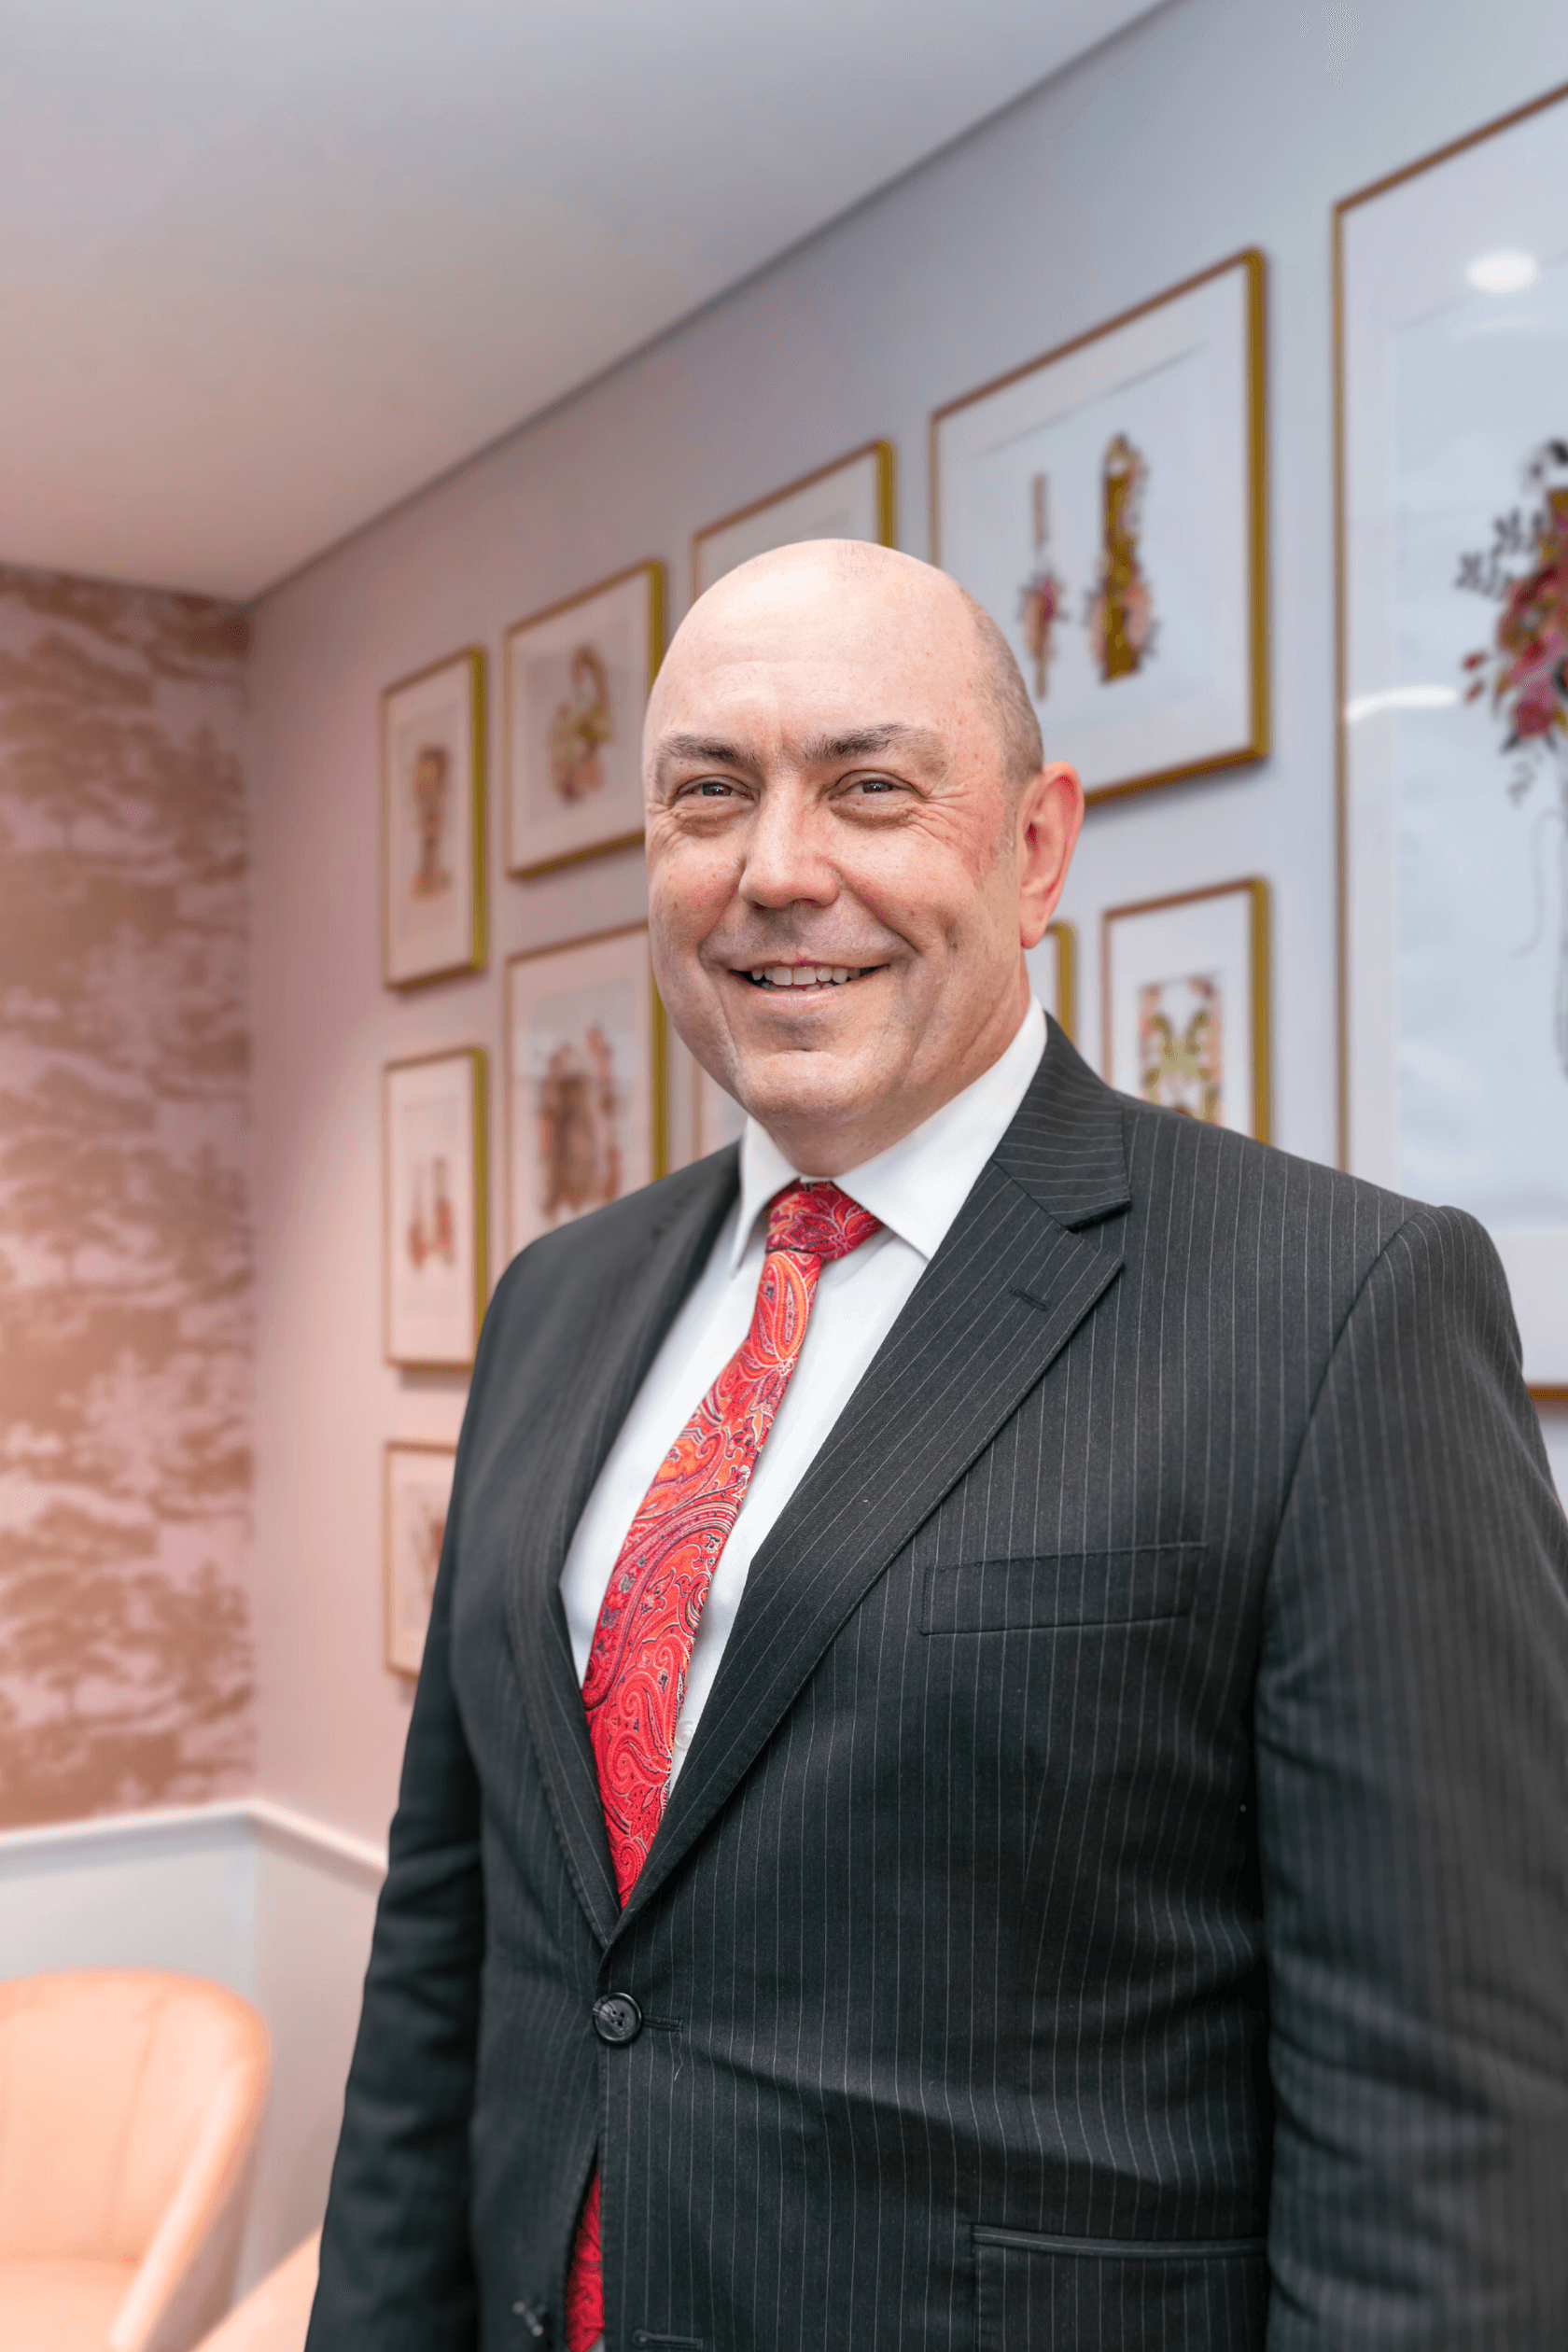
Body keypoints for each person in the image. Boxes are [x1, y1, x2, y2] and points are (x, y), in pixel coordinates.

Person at [308, 542, 1568, 2351]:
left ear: (1036, 848)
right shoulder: (556, 1300)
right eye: (709, 796)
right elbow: (448, 1942)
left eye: (871, 789)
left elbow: (1443, 2132)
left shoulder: (1338, 1309)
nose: (777, 870)